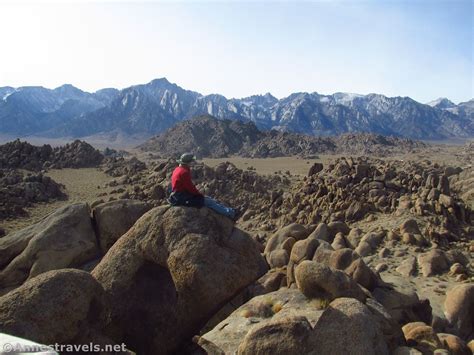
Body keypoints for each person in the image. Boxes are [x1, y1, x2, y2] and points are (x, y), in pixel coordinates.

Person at [168, 152, 236, 219]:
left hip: (179, 195)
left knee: (208, 200)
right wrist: (199, 195)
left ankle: (230, 210)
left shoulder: (177, 169)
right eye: (192, 161)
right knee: (209, 202)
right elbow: (190, 188)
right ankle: (231, 213)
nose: (193, 163)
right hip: (182, 197)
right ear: (188, 163)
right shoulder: (184, 172)